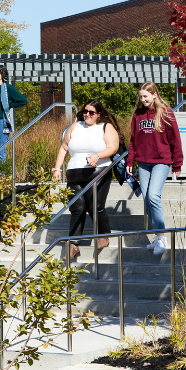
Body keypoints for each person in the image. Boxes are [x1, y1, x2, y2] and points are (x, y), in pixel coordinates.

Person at [52, 100, 121, 259]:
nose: (87, 114)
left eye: (91, 112)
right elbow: (64, 148)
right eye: (85, 111)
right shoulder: (76, 126)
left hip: (98, 172)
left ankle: (103, 235)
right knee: (77, 208)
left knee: (95, 206)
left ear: (99, 114)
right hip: (74, 173)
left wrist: (98, 156)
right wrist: (57, 168)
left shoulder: (105, 127)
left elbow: (113, 147)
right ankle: (73, 244)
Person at [126, 82, 183, 255]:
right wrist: (130, 161)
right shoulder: (138, 114)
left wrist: (177, 163)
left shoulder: (166, 113)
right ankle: (157, 236)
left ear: (154, 95)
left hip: (162, 161)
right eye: (141, 96)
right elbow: (133, 140)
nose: (143, 99)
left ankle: (161, 236)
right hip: (143, 162)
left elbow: (175, 139)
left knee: (153, 195)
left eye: (146, 96)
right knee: (146, 199)